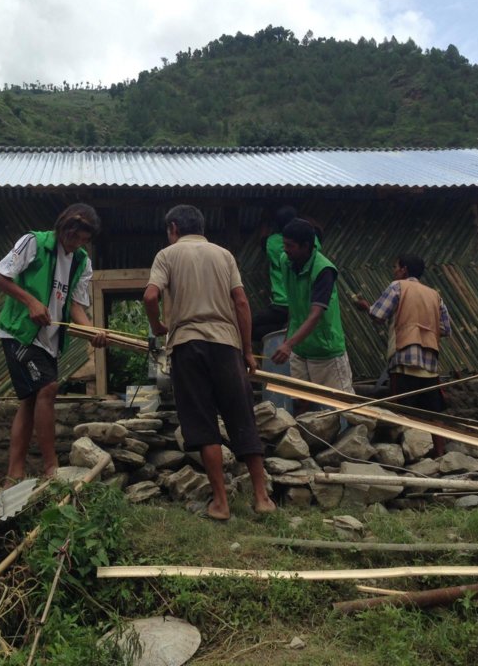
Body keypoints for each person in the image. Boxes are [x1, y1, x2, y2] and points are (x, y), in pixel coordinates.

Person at [143, 204, 276, 520]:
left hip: (188, 346)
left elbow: (150, 296)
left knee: (203, 423)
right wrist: (246, 350)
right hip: (226, 345)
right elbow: (241, 302)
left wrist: (160, 326)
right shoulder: (224, 255)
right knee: (242, 416)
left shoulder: (167, 255)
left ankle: (220, 503)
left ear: (173, 227)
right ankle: (261, 498)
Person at [0, 204, 105, 486]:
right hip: (21, 333)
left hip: (50, 340)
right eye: (71, 236)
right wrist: (30, 301)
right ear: (62, 227)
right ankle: (51, 468)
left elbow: (76, 306)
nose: (74, 243)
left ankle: (13, 474)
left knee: (30, 400)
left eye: (82, 239)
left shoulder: (82, 262)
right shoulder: (34, 242)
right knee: (48, 388)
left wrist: (92, 332)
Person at [355, 254, 451, 456]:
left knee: (400, 411)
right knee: (434, 414)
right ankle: (440, 454)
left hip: (404, 360)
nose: (394, 271)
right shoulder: (435, 295)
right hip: (429, 363)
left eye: (395, 267)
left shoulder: (397, 286)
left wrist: (365, 307)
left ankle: (402, 457)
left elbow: (378, 315)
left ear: (404, 270)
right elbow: (445, 328)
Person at [271, 219, 354, 396]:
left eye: (290, 245)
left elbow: (315, 315)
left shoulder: (324, 270)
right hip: (300, 349)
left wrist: (288, 344)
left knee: (339, 405)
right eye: (284, 244)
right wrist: (288, 340)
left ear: (306, 246)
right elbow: (293, 305)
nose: (285, 249)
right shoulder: (285, 261)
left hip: (325, 352)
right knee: (301, 401)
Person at [252, 206, 297, 341]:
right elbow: (319, 230)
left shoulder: (273, 242)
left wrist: (265, 219)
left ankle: (285, 329)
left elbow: (262, 238)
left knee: (250, 327)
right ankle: (287, 328)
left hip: (281, 304)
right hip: (300, 304)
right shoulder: (310, 240)